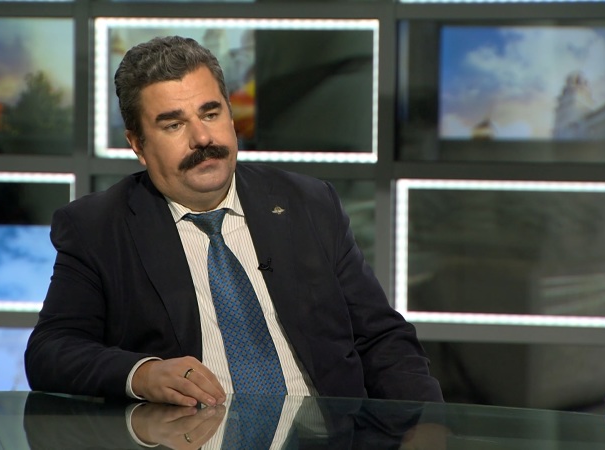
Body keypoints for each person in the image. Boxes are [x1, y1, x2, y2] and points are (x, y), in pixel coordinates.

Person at [24, 35, 443, 407]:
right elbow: (51, 351)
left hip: (328, 437)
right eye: (174, 124)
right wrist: (144, 374)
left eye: (210, 114)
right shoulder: (98, 228)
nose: (202, 138)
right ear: (138, 144)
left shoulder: (308, 203)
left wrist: (427, 424)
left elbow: (381, 336)